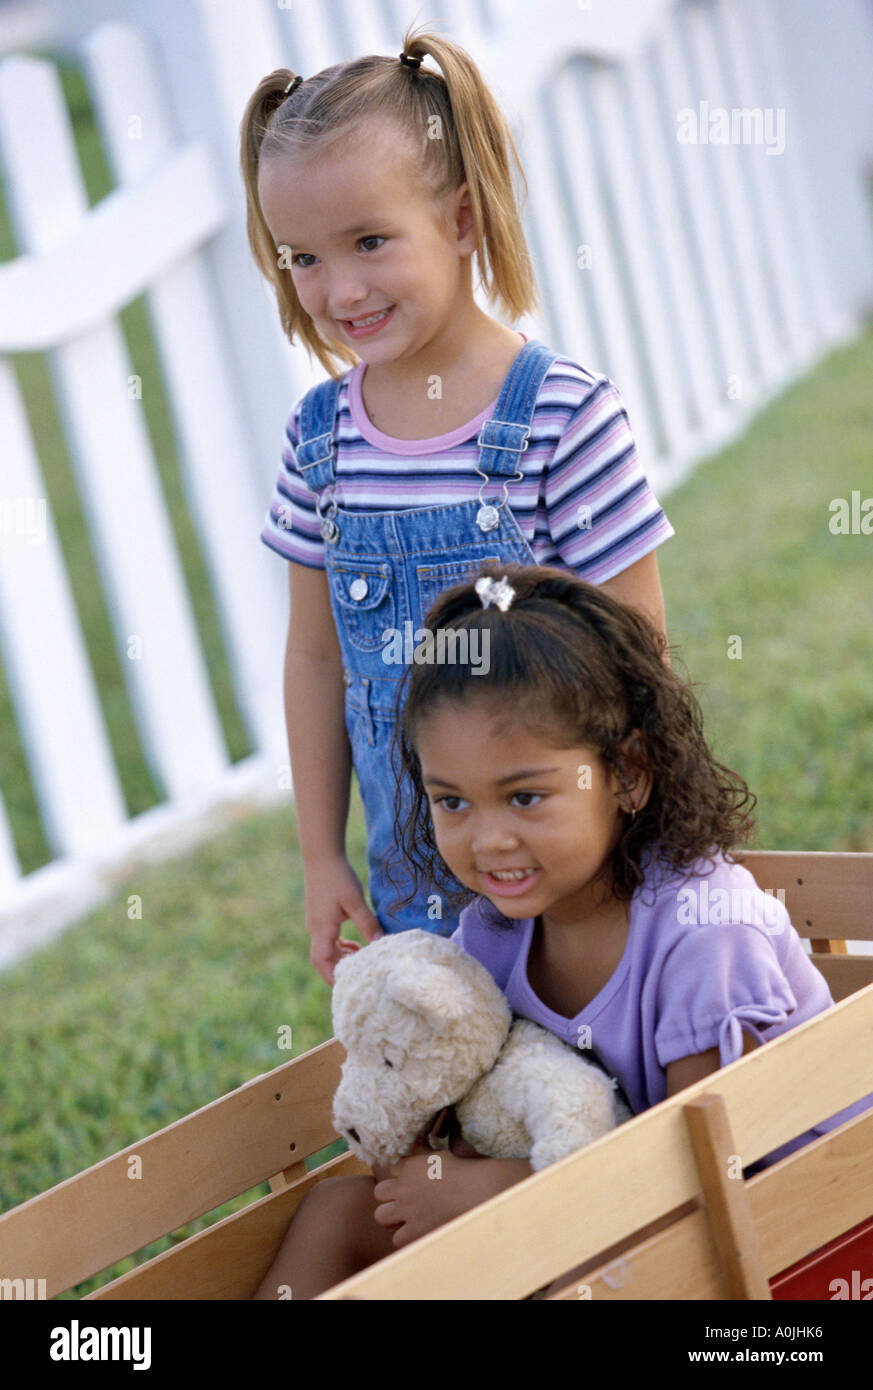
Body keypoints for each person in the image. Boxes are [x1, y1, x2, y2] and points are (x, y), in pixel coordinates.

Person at [252, 562, 873, 1299]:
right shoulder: (490, 939)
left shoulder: (704, 935)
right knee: (336, 1209)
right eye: (451, 802)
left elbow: (702, 1171)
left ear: (629, 773)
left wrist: (492, 1193)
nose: (488, 840)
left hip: (788, 1243)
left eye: (524, 795)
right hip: (598, 1226)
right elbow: (458, 1102)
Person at [239, 25, 675, 982]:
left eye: (368, 241)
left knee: (601, 1092)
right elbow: (316, 658)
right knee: (463, 1106)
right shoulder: (320, 444)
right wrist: (322, 858)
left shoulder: (563, 415)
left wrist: (650, 846)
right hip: (421, 892)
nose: (337, 288)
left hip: (581, 878)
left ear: (463, 218)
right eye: (301, 257)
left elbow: (640, 654)